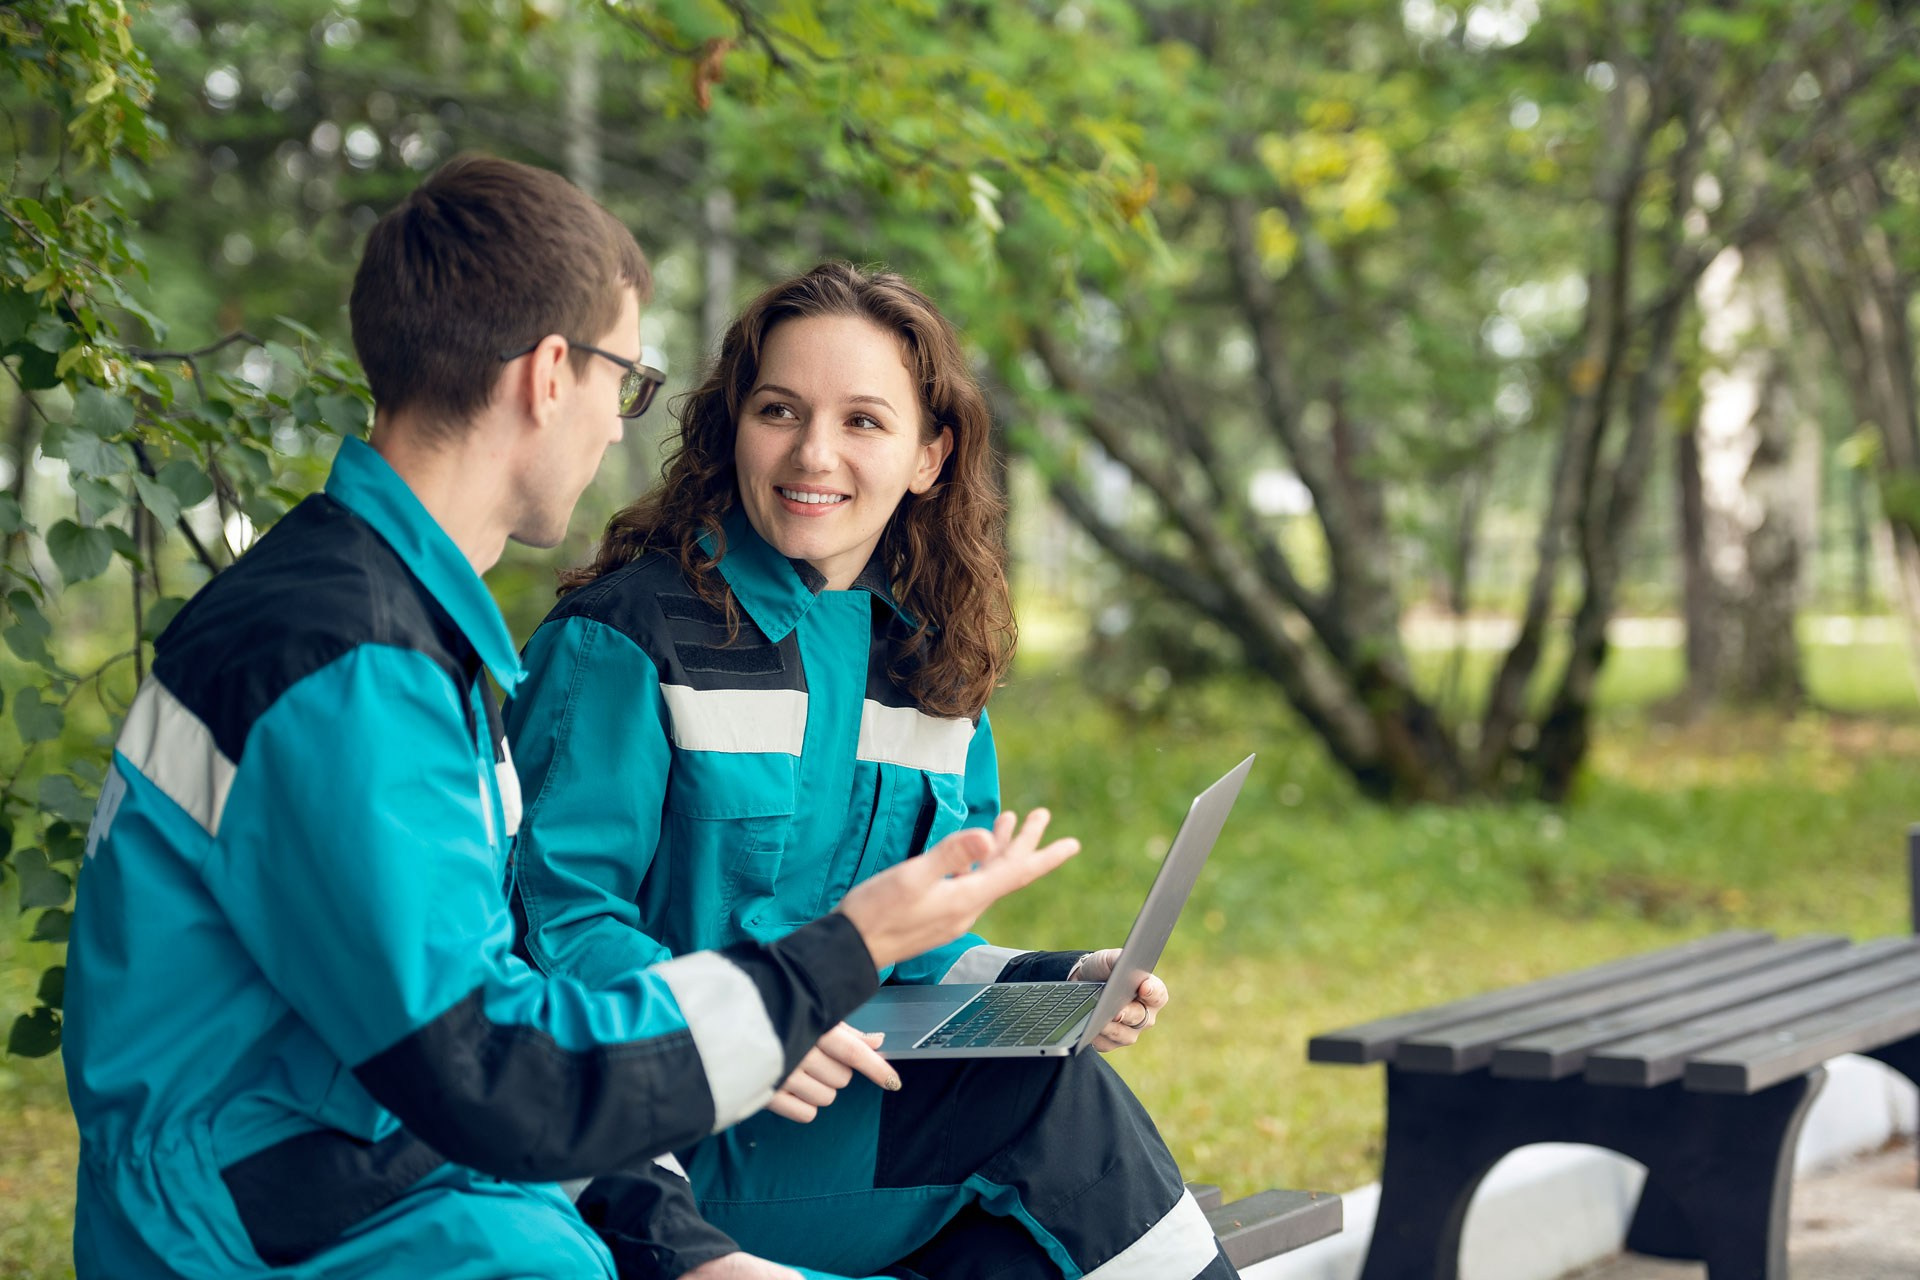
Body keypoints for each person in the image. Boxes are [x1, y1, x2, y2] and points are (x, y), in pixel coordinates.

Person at [61, 158, 1078, 1280]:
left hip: (384, 1163)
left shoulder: (393, 627)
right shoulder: (350, 661)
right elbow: (488, 1066)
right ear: (552, 374)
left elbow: (493, 1027)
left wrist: (684, 1241)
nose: (616, 427)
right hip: (257, 1222)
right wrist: (824, 964)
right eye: (625, 381)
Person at [506, 261, 1236, 1279]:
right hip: (658, 1140)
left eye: (863, 421)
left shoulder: (931, 667)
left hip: (843, 1120)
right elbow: (551, 930)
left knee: (1020, 1243)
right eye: (780, 410)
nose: (814, 452)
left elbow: (919, 947)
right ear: (733, 429)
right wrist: (746, 1019)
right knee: (1058, 1112)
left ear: (930, 455)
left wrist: (1053, 983)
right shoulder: (627, 638)